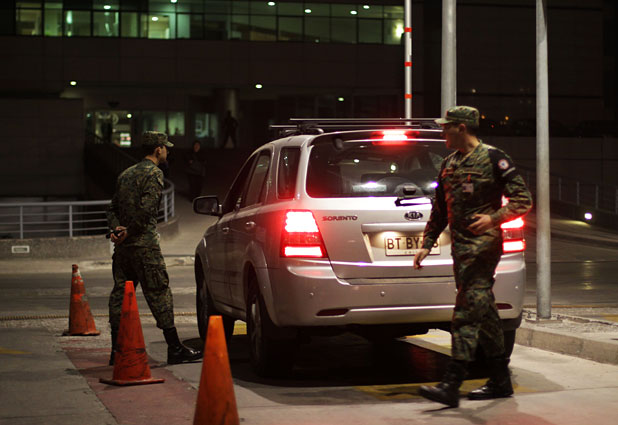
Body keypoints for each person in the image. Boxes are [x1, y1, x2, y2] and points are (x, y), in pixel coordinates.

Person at [414, 106, 532, 408]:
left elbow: (523, 200)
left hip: (483, 249)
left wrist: (494, 219)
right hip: (461, 250)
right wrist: (427, 243)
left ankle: (452, 382)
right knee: (485, 311)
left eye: (447, 126)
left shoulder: (494, 158)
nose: (443, 131)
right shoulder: (449, 163)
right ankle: (501, 381)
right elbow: (440, 208)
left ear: (462, 128)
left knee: (466, 311)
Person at [106, 131, 202, 365]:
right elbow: (148, 210)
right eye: (166, 148)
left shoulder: (126, 174)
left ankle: (117, 351)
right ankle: (174, 347)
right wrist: (130, 230)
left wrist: (117, 229)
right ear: (158, 149)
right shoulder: (154, 173)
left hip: (123, 250)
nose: (167, 152)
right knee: (159, 293)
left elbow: (112, 208)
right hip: (145, 247)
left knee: (120, 295)